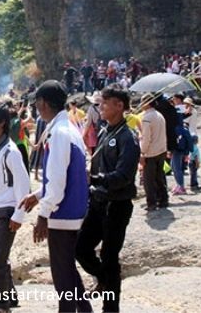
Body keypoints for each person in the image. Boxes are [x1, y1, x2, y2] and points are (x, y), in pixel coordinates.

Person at [18, 80, 91, 313]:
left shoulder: (59, 133)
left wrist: (43, 215)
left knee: (62, 274)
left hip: (63, 213)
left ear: (43, 103)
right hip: (73, 210)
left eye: (37, 104)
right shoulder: (68, 129)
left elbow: (58, 181)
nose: (36, 109)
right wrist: (39, 195)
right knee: (68, 268)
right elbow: (64, 176)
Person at [76, 84, 138, 313]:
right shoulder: (105, 131)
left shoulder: (127, 137)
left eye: (104, 102)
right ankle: (105, 279)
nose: (99, 106)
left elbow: (123, 176)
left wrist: (95, 179)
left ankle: (111, 308)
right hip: (98, 202)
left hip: (117, 204)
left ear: (119, 106)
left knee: (110, 256)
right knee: (81, 248)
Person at [0, 100, 31, 313]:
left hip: (7, 209)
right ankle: (10, 296)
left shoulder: (11, 151)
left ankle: (2, 305)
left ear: (1, 123)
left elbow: (23, 184)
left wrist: (19, 215)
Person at [140, 93, 168, 212]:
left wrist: (142, 152)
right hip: (161, 150)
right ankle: (163, 200)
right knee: (159, 177)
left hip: (151, 152)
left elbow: (146, 138)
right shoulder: (159, 115)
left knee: (149, 180)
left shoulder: (147, 118)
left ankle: (151, 203)